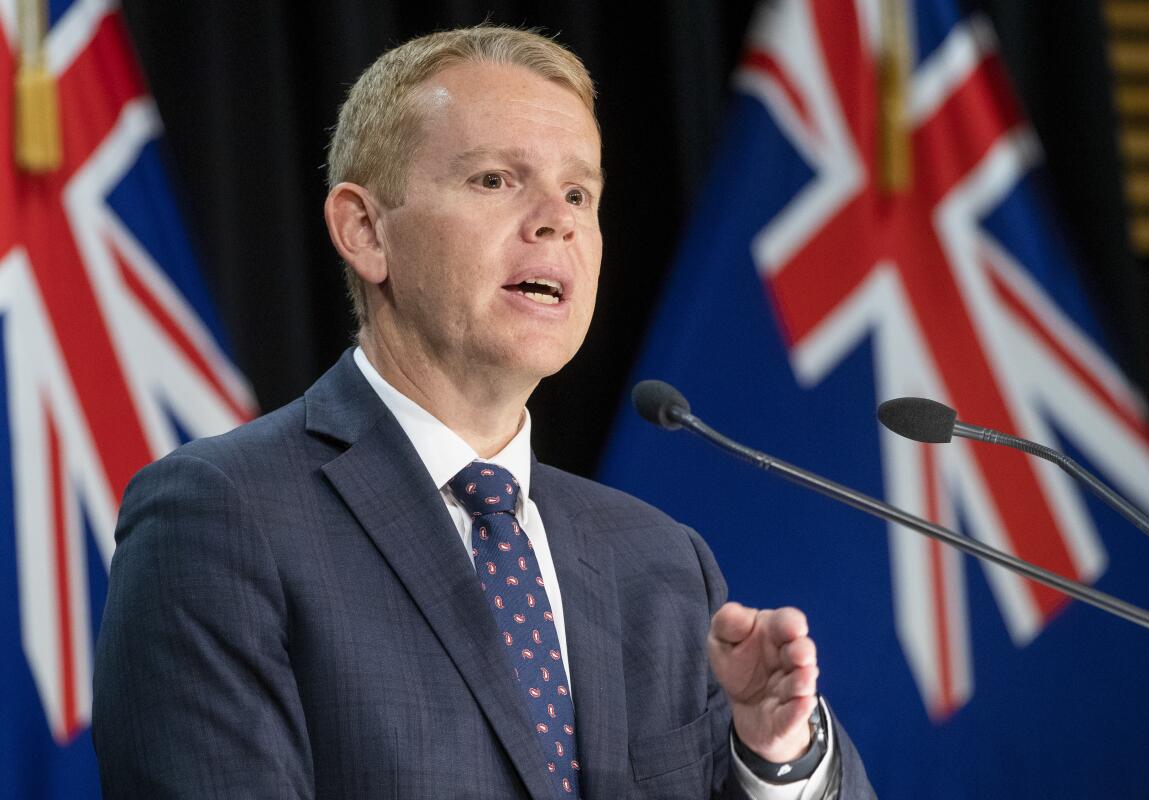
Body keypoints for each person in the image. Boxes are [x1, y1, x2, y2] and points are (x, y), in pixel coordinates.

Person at [92, 26, 874, 799]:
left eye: (579, 192)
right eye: (497, 179)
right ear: (364, 231)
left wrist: (773, 765)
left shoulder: (663, 566)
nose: (556, 220)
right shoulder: (221, 518)